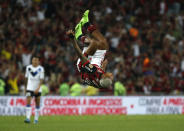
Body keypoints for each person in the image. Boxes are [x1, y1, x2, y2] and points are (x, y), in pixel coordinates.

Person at [66, 10, 113, 88]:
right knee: (104, 44)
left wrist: (72, 40)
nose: (112, 76)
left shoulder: (93, 71)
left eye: (111, 77)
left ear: (105, 77)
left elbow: (80, 55)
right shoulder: (102, 81)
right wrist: (103, 67)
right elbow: (100, 79)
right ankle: (86, 23)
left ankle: (79, 36)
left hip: (83, 65)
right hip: (94, 66)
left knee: (93, 44)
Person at [24, 55, 44, 124]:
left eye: (36, 60)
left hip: (37, 88)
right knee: (28, 101)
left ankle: (36, 119)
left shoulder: (41, 69)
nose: (35, 61)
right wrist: (25, 88)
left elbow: (41, 79)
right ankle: (28, 118)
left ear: (38, 61)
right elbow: (26, 78)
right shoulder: (28, 68)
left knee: (37, 103)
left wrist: (38, 88)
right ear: (32, 60)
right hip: (29, 88)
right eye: (34, 60)